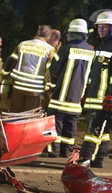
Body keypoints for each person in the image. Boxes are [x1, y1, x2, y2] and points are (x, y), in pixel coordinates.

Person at [44, 19, 94, 158]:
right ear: (85, 34)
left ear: (70, 33)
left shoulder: (65, 49)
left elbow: (54, 70)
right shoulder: (92, 51)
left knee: (55, 125)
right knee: (70, 128)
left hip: (59, 98)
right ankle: (66, 152)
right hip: (76, 100)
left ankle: (53, 151)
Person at [79, 11, 112, 168]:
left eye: (105, 27)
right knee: (102, 131)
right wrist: (86, 93)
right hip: (94, 96)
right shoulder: (100, 46)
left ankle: (85, 158)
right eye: (99, 27)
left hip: (104, 97)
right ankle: (98, 160)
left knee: (93, 129)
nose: (101, 30)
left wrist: (110, 95)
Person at [2, 25, 57, 112]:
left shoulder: (22, 44)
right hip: (35, 90)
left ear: (37, 33)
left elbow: (10, 61)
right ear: (48, 36)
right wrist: (50, 88)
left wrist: (5, 75)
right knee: (30, 117)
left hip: (18, 86)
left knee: (15, 114)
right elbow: (52, 71)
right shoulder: (50, 50)